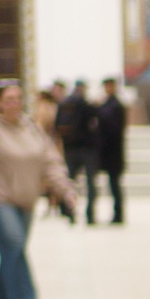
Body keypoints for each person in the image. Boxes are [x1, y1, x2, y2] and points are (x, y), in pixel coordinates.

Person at [0, 81, 77, 299]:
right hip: (2, 199)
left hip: (26, 199)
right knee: (14, 242)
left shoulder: (32, 129)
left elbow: (50, 161)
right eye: (8, 100)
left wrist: (65, 189)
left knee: (14, 249)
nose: (14, 104)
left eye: (18, 98)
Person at [57, 81, 97, 223]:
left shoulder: (65, 105)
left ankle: (69, 211)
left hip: (71, 148)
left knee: (69, 181)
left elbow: (57, 126)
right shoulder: (87, 105)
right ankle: (90, 214)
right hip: (88, 148)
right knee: (90, 183)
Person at [93, 77, 128, 226]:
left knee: (115, 185)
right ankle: (117, 213)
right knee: (112, 185)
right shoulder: (107, 104)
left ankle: (118, 214)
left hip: (113, 152)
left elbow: (112, 127)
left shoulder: (116, 105)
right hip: (108, 152)